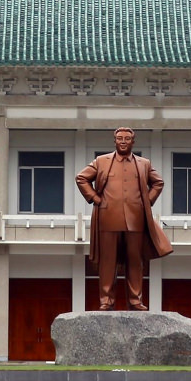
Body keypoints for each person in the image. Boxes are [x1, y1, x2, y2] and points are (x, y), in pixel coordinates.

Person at [76, 127, 172, 310]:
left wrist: (147, 202)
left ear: (132, 142)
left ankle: (135, 301)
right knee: (107, 262)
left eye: (127, 138)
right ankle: (106, 301)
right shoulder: (101, 161)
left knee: (135, 261)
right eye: (119, 138)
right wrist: (95, 198)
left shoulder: (143, 163)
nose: (123, 141)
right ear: (114, 141)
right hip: (108, 218)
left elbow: (158, 182)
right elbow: (81, 178)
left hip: (136, 220)